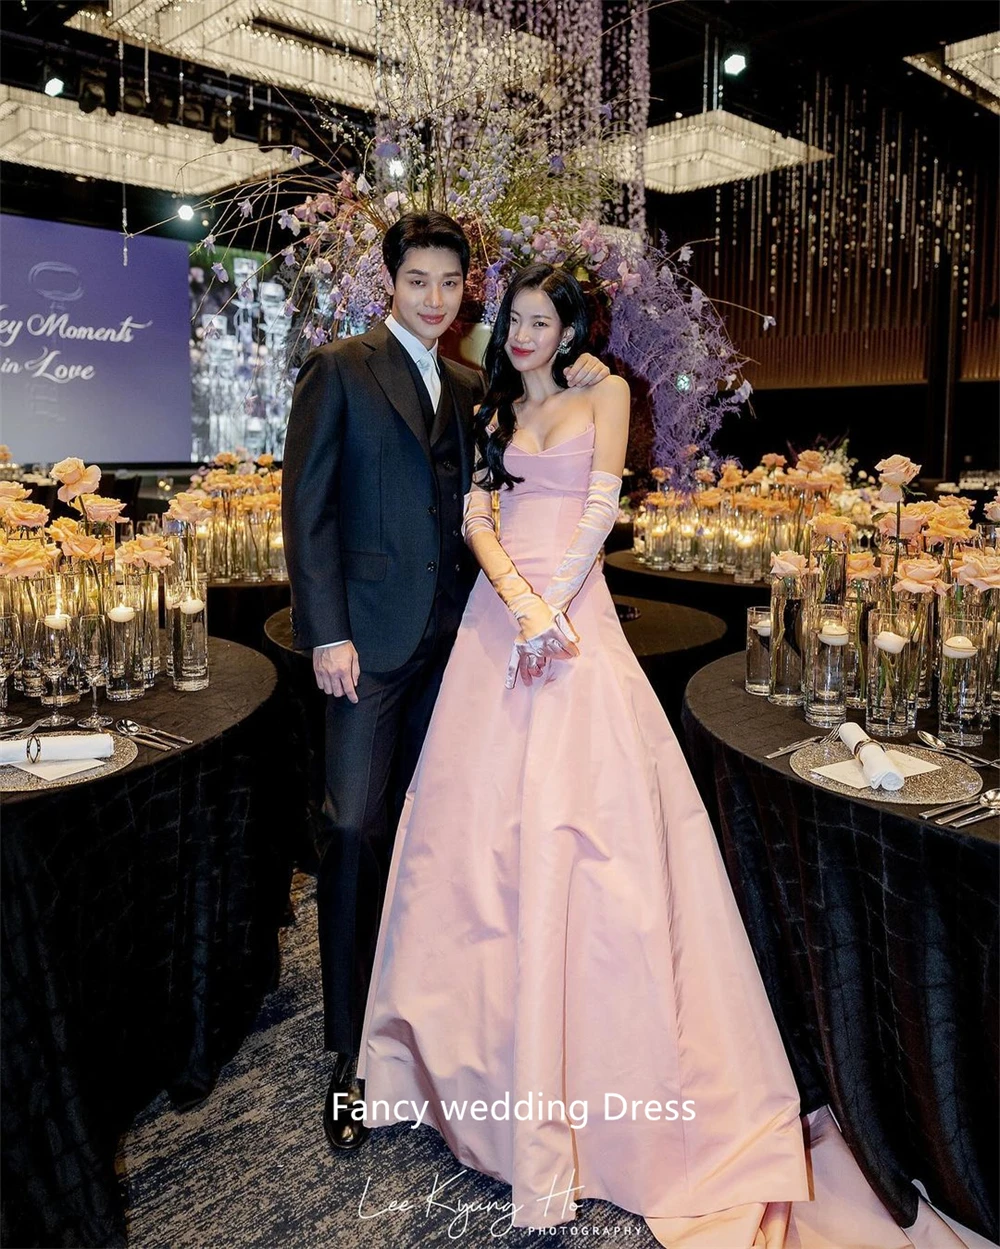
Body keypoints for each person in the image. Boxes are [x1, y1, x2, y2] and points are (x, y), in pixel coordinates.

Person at [355, 265, 963, 1247]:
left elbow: (598, 511)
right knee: (465, 847)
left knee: (585, 834)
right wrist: (516, 600)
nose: (519, 336)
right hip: (499, 621)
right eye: (512, 320)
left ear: (570, 329)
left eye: (538, 323)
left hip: (571, 619)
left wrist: (553, 607)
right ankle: (450, 1071)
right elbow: (475, 511)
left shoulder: (605, 392)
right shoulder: (497, 400)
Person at [281, 216, 609, 1154]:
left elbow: (517, 458)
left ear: (470, 288)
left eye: (450, 281)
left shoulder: (474, 386)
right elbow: (304, 508)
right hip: (368, 648)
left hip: (459, 641)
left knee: (439, 842)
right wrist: (327, 631)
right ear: (390, 282)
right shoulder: (340, 368)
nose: (434, 297)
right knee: (351, 829)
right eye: (416, 279)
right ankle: (349, 1058)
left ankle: (432, 1035)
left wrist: (579, 370)